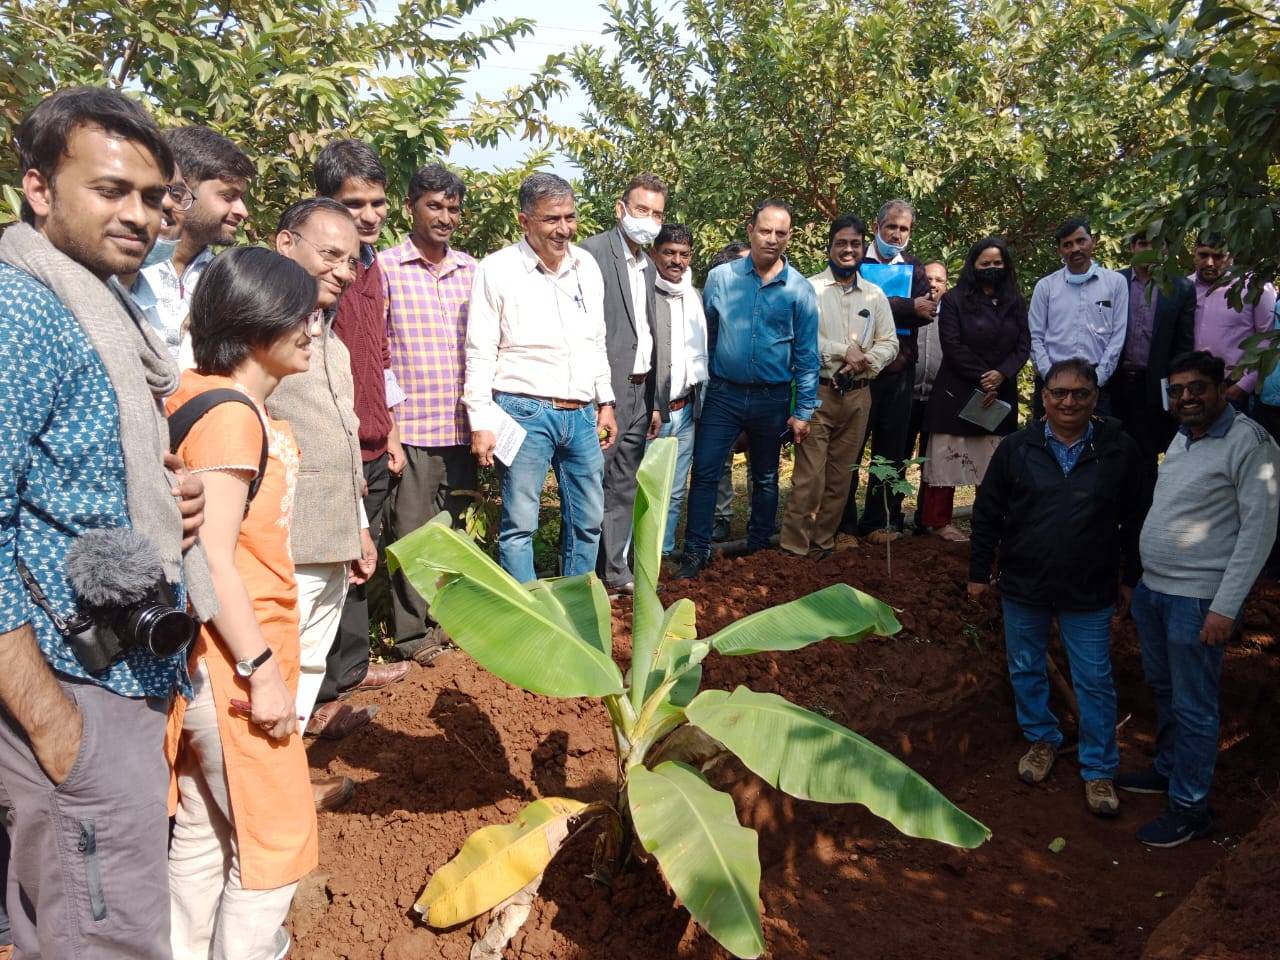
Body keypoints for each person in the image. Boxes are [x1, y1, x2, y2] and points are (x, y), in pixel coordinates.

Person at [0, 86, 211, 959]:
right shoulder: (24, 313)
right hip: (68, 686)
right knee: (107, 940)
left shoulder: (97, 305)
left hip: (113, 684)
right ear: (40, 189)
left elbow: (67, 474)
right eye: (110, 189)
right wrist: (55, 725)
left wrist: (160, 495)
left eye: (153, 197)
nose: (140, 215)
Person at [166, 246, 319, 960]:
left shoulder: (207, 397)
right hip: (233, 666)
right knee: (276, 846)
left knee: (204, 837)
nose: (312, 329)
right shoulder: (230, 417)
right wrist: (261, 671)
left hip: (211, 666)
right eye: (300, 315)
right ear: (256, 322)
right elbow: (210, 557)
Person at [968, 358, 1143, 817]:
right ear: (1043, 397)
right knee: (1025, 667)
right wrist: (977, 572)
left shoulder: (1119, 450)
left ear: (1095, 398)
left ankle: (1099, 768)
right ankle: (1041, 740)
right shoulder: (1017, 448)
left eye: (1080, 393)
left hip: (1089, 588)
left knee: (1094, 678)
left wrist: (1130, 578)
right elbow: (987, 513)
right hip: (1024, 583)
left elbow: (1137, 519)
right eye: (1059, 393)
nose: (1069, 401)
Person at [1121, 351, 1279, 846]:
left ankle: (1191, 806)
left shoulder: (1252, 443)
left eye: (1197, 388)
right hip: (1155, 591)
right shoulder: (1184, 436)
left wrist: (1225, 607)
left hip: (1197, 600)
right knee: (1164, 690)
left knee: (1194, 706)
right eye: (1178, 389)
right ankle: (1169, 769)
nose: (1186, 397)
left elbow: (1258, 532)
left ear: (1221, 386)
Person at [266, 199, 377, 769]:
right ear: (286, 245)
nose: (341, 270)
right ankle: (261, 790)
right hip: (283, 538)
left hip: (332, 533)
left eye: (351, 261)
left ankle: (284, 774)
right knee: (275, 666)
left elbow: (344, 436)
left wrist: (359, 528)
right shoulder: (257, 331)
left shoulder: (329, 339)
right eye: (329, 255)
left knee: (309, 663)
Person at [464, 173, 617, 582]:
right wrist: (480, 420)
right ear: (524, 220)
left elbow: (595, 338)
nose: (563, 228)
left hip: (582, 413)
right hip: (522, 411)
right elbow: (479, 350)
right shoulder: (497, 270)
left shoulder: (586, 265)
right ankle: (528, 625)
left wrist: (606, 400)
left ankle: (574, 609)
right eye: (552, 219)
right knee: (519, 525)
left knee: (587, 520)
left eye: (570, 217)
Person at [311, 141, 410, 714]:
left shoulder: (370, 268)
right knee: (330, 567)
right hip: (334, 444)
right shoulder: (315, 277)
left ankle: (349, 670)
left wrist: (389, 427)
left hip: (373, 438)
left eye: (377, 202)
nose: (369, 215)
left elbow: (376, 358)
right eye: (355, 203)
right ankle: (321, 693)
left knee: (358, 561)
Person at [676, 199, 820, 578]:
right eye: (765, 230)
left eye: (780, 233)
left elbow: (807, 355)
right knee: (706, 471)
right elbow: (706, 339)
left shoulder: (801, 290)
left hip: (772, 397)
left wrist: (804, 410)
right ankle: (695, 552)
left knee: (766, 476)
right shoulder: (722, 279)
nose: (771, 239)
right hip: (724, 394)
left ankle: (759, 549)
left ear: (789, 237)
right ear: (750, 231)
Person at [381, 164, 480, 659]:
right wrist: (391, 430)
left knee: (455, 536)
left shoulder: (472, 271)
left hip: (462, 430)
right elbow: (378, 354)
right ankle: (411, 637)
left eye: (453, 209)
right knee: (414, 536)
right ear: (411, 207)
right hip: (415, 429)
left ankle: (449, 623)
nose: (444, 217)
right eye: (434, 206)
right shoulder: (384, 268)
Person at [780, 213, 896, 557]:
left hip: (858, 396)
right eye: (841, 243)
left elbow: (890, 343)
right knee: (809, 478)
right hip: (817, 392)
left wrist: (865, 360)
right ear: (830, 247)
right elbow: (799, 339)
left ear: (863, 248)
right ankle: (792, 549)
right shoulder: (808, 288)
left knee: (841, 477)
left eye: (855, 244)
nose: (848, 250)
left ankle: (822, 545)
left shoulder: (876, 296)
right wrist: (842, 349)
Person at [581, 173, 667, 595]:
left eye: (656, 213)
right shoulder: (591, 254)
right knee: (591, 482)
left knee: (623, 484)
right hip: (605, 394)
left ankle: (614, 572)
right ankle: (584, 576)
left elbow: (646, 333)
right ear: (621, 210)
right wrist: (602, 398)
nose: (648, 220)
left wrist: (653, 400)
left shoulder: (648, 264)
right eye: (641, 210)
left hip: (639, 389)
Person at [920, 237, 1030, 541]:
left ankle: (989, 521)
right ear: (974, 265)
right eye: (985, 263)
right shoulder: (955, 300)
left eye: (997, 263)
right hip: (957, 390)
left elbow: (1024, 345)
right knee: (946, 457)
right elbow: (952, 345)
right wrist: (985, 376)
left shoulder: (1016, 301)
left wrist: (1002, 375)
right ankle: (939, 522)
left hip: (1000, 391)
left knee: (993, 461)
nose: (991, 268)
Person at [838, 199, 936, 544]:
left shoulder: (915, 267)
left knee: (891, 451)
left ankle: (878, 523)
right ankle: (844, 526)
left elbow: (928, 311)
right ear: (877, 226)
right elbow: (858, 304)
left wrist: (906, 309)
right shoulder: (856, 261)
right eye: (891, 226)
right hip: (859, 370)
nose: (896, 234)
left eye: (904, 228)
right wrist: (906, 306)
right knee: (850, 449)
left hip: (899, 372)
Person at [133, 125, 252, 361]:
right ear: (179, 189)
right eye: (228, 196)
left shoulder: (225, 278)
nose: (242, 211)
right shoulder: (126, 262)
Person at [1113, 233, 1196, 517]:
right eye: (1142, 244)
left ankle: (1143, 528)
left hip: (1154, 386)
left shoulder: (1181, 288)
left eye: (1156, 244)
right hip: (1113, 384)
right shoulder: (1114, 282)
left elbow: (1183, 345)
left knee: (1147, 458)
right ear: (1133, 248)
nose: (1149, 250)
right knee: (1112, 455)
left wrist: (1174, 392)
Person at [646, 222, 708, 557]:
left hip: (686, 410)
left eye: (683, 254)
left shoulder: (693, 295)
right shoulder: (643, 293)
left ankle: (664, 552)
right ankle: (630, 559)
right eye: (669, 252)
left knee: (672, 489)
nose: (676, 261)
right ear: (655, 253)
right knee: (644, 488)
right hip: (651, 412)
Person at [1027, 217, 1128, 418]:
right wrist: (1051, 378)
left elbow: (1118, 335)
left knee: (1098, 445)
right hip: (1052, 381)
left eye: (1081, 241)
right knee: (1045, 444)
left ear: (1093, 241)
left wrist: (1096, 380)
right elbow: (1034, 336)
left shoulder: (1116, 283)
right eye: (1067, 244)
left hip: (1098, 382)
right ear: (1060, 250)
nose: (1075, 249)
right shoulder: (1046, 286)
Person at [1188, 234, 1276, 412]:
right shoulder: (1184, 287)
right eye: (1203, 255)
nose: (1210, 263)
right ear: (1194, 254)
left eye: (1218, 256)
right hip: (1190, 388)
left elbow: (1267, 339)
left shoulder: (1254, 287)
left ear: (1231, 256)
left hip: (1233, 389)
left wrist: (1244, 385)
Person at [708, 241, 751, 541]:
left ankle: (757, 519)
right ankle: (721, 517)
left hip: (762, 394)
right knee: (721, 460)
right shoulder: (715, 297)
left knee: (761, 462)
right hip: (721, 391)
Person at [908, 261, 947, 533]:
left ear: (946, 285)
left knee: (931, 463)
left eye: (939, 280)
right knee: (897, 458)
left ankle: (926, 520)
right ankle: (892, 517)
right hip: (906, 397)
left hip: (937, 400)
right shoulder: (908, 311)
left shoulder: (953, 317)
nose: (933, 284)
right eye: (928, 279)